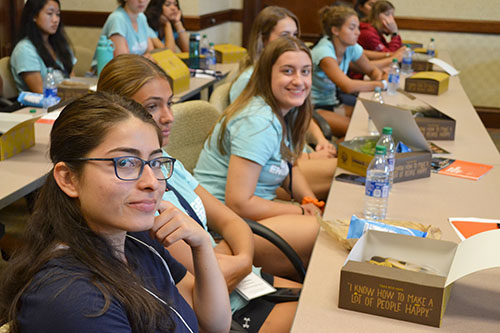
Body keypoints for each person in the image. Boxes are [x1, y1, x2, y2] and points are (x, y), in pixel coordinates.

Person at [98, 54, 302, 331]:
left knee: (322, 302)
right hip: (220, 311)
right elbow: (199, 275)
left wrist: (240, 261)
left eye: (169, 103)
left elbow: (231, 221)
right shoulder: (132, 192)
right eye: (152, 107)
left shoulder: (169, 163)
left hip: (244, 283)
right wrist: (232, 255)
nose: (168, 117)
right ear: (119, 110)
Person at [0, 92, 231, 332]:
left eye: (155, 162)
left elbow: (213, 325)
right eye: (125, 163)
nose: (151, 182)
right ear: (68, 179)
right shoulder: (75, 300)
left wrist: (202, 245)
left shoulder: (134, 239)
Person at [195, 37, 321, 266]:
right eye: (288, 71)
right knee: (323, 233)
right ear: (266, 75)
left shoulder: (284, 111)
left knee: (322, 223)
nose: (299, 80)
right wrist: (301, 212)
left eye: (306, 71)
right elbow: (239, 204)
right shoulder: (258, 121)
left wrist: (309, 201)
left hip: (247, 218)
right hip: (224, 230)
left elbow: (288, 167)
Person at [230, 6, 337, 199]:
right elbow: (257, 148)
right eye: (285, 35)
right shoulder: (252, 88)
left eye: (295, 35)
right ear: (263, 39)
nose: (292, 41)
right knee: (344, 174)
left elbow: (298, 121)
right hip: (264, 175)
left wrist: (320, 141)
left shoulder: (287, 91)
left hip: (287, 162)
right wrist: (310, 157)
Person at [311, 5, 386, 131]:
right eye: (352, 28)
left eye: (357, 27)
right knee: (360, 130)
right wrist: (381, 84)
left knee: (374, 121)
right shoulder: (324, 52)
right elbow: (348, 86)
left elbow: (372, 70)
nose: (358, 32)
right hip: (313, 108)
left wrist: (377, 82)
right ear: (335, 30)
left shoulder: (351, 47)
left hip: (333, 103)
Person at [10, 0, 75, 93]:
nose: (55, 20)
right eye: (50, 13)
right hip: (43, 105)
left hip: (66, 101)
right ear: (34, 16)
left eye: (57, 14)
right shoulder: (25, 49)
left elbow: (73, 82)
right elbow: (41, 92)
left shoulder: (59, 44)